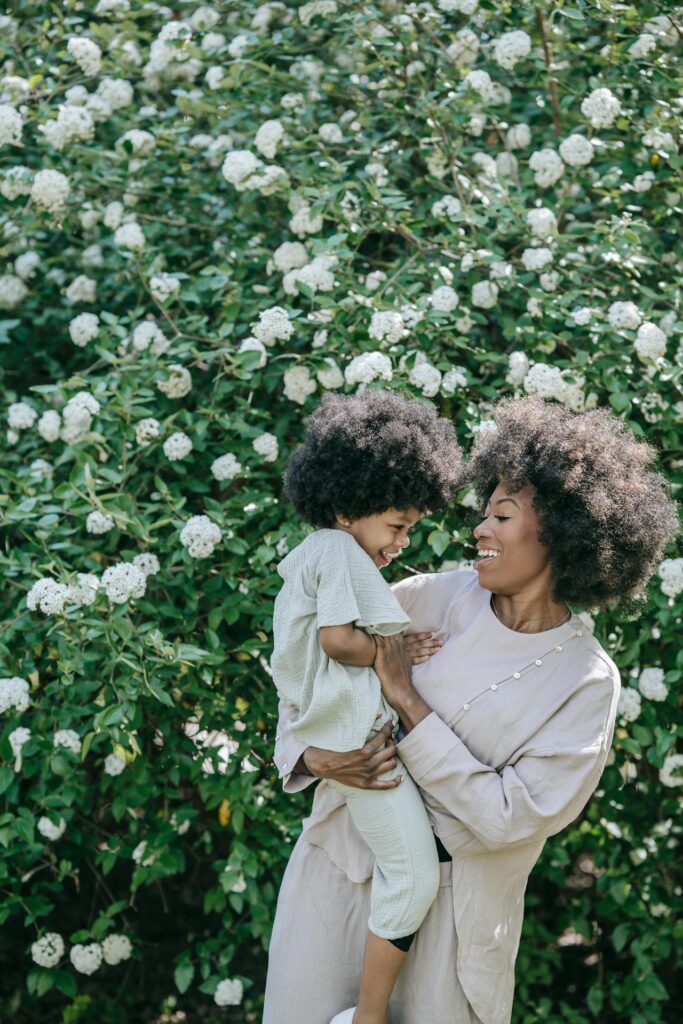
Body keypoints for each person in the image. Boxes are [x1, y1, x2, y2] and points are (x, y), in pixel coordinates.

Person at [264, 396, 677, 1024]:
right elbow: (307, 670)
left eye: (502, 516)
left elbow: (511, 819)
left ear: (565, 535)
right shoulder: (428, 596)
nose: (479, 530)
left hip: (457, 922)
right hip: (336, 875)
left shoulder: (586, 682)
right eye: (483, 514)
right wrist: (311, 754)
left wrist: (406, 697)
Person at [271, 390, 464, 1024]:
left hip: (354, 746)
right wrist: (392, 652)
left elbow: (329, 649)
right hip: (363, 752)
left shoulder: (323, 554)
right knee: (413, 880)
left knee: (408, 874)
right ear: (350, 506)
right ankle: (368, 1016)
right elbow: (338, 641)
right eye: (398, 525)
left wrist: (390, 644)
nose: (404, 541)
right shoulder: (336, 550)